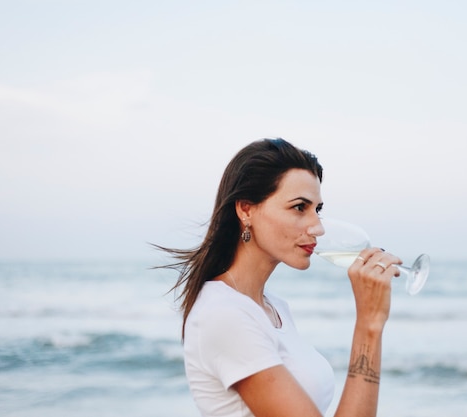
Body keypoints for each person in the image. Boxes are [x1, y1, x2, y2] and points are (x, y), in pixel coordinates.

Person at [160, 138, 402, 417]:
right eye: (300, 207)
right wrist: (369, 325)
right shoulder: (223, 314)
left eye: (317, 210)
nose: (318, 228)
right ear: (246, 210)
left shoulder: (272, 308)